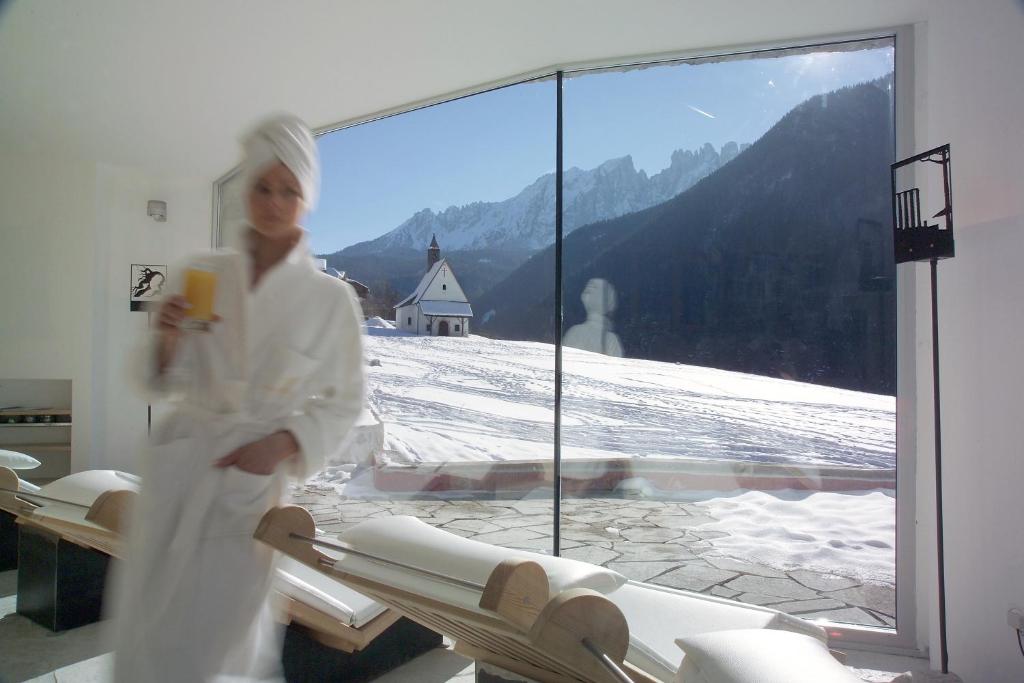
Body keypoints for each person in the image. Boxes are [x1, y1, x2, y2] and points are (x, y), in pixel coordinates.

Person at [110, 114, 365, 682]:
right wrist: (167, 338)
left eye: (288, 190)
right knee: (151, 626)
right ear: (245, 188)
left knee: (221, 636)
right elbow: (159, 380)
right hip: (182, 463)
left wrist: (280, 444)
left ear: (307, 197)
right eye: (262, 186)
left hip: (248, 481)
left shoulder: (329, 300)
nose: (273, 202)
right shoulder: (201, 272)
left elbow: (346, 400)